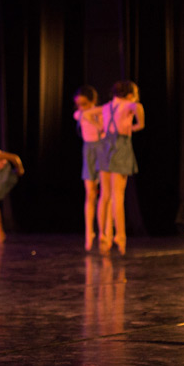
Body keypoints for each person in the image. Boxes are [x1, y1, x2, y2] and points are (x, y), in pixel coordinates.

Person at [97, 81, 145, 255]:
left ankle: (104, 234)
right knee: (118, 195)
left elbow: (88, 117)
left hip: (105, 147)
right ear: (131, 93)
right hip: (120, 146)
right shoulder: (130, 104)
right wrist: (134, 126)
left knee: (105, 195)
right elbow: (139, 116)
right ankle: (120, 235)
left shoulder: (106, 107)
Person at [74, 85, 105, 251]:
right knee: (90, 193)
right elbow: (81, 114)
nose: (80, 107)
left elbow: (103, 122)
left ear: (93, 101)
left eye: (84, 103)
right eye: (78, 104)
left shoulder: (100, 112)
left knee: (105, 193)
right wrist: (88, 113)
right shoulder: (79, 114)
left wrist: (95, 117)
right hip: (89, 152)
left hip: (102, 149)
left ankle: (102, 231)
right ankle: (89, 232)